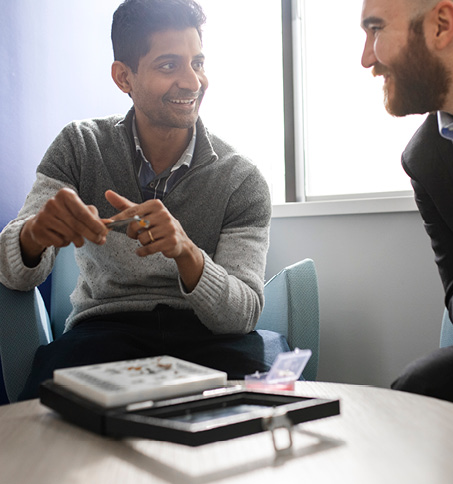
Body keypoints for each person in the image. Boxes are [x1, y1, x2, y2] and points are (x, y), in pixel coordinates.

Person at [0, 0, 290, 400]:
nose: (192, 82)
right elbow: (14, 276)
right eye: (169, 65)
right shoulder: (79, 147)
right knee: (48, 408)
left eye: (198, 62)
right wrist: (33, 236)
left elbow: (242, 314)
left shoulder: (241, 179)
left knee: (274, 396)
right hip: (103, 332)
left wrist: (188, 252)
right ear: (124, 77)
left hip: (209, 335)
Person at [360, 0, 453, 412]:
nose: (365, 58)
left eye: (376, 29)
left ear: (441, 25)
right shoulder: (424, 157)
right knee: (419, 389)